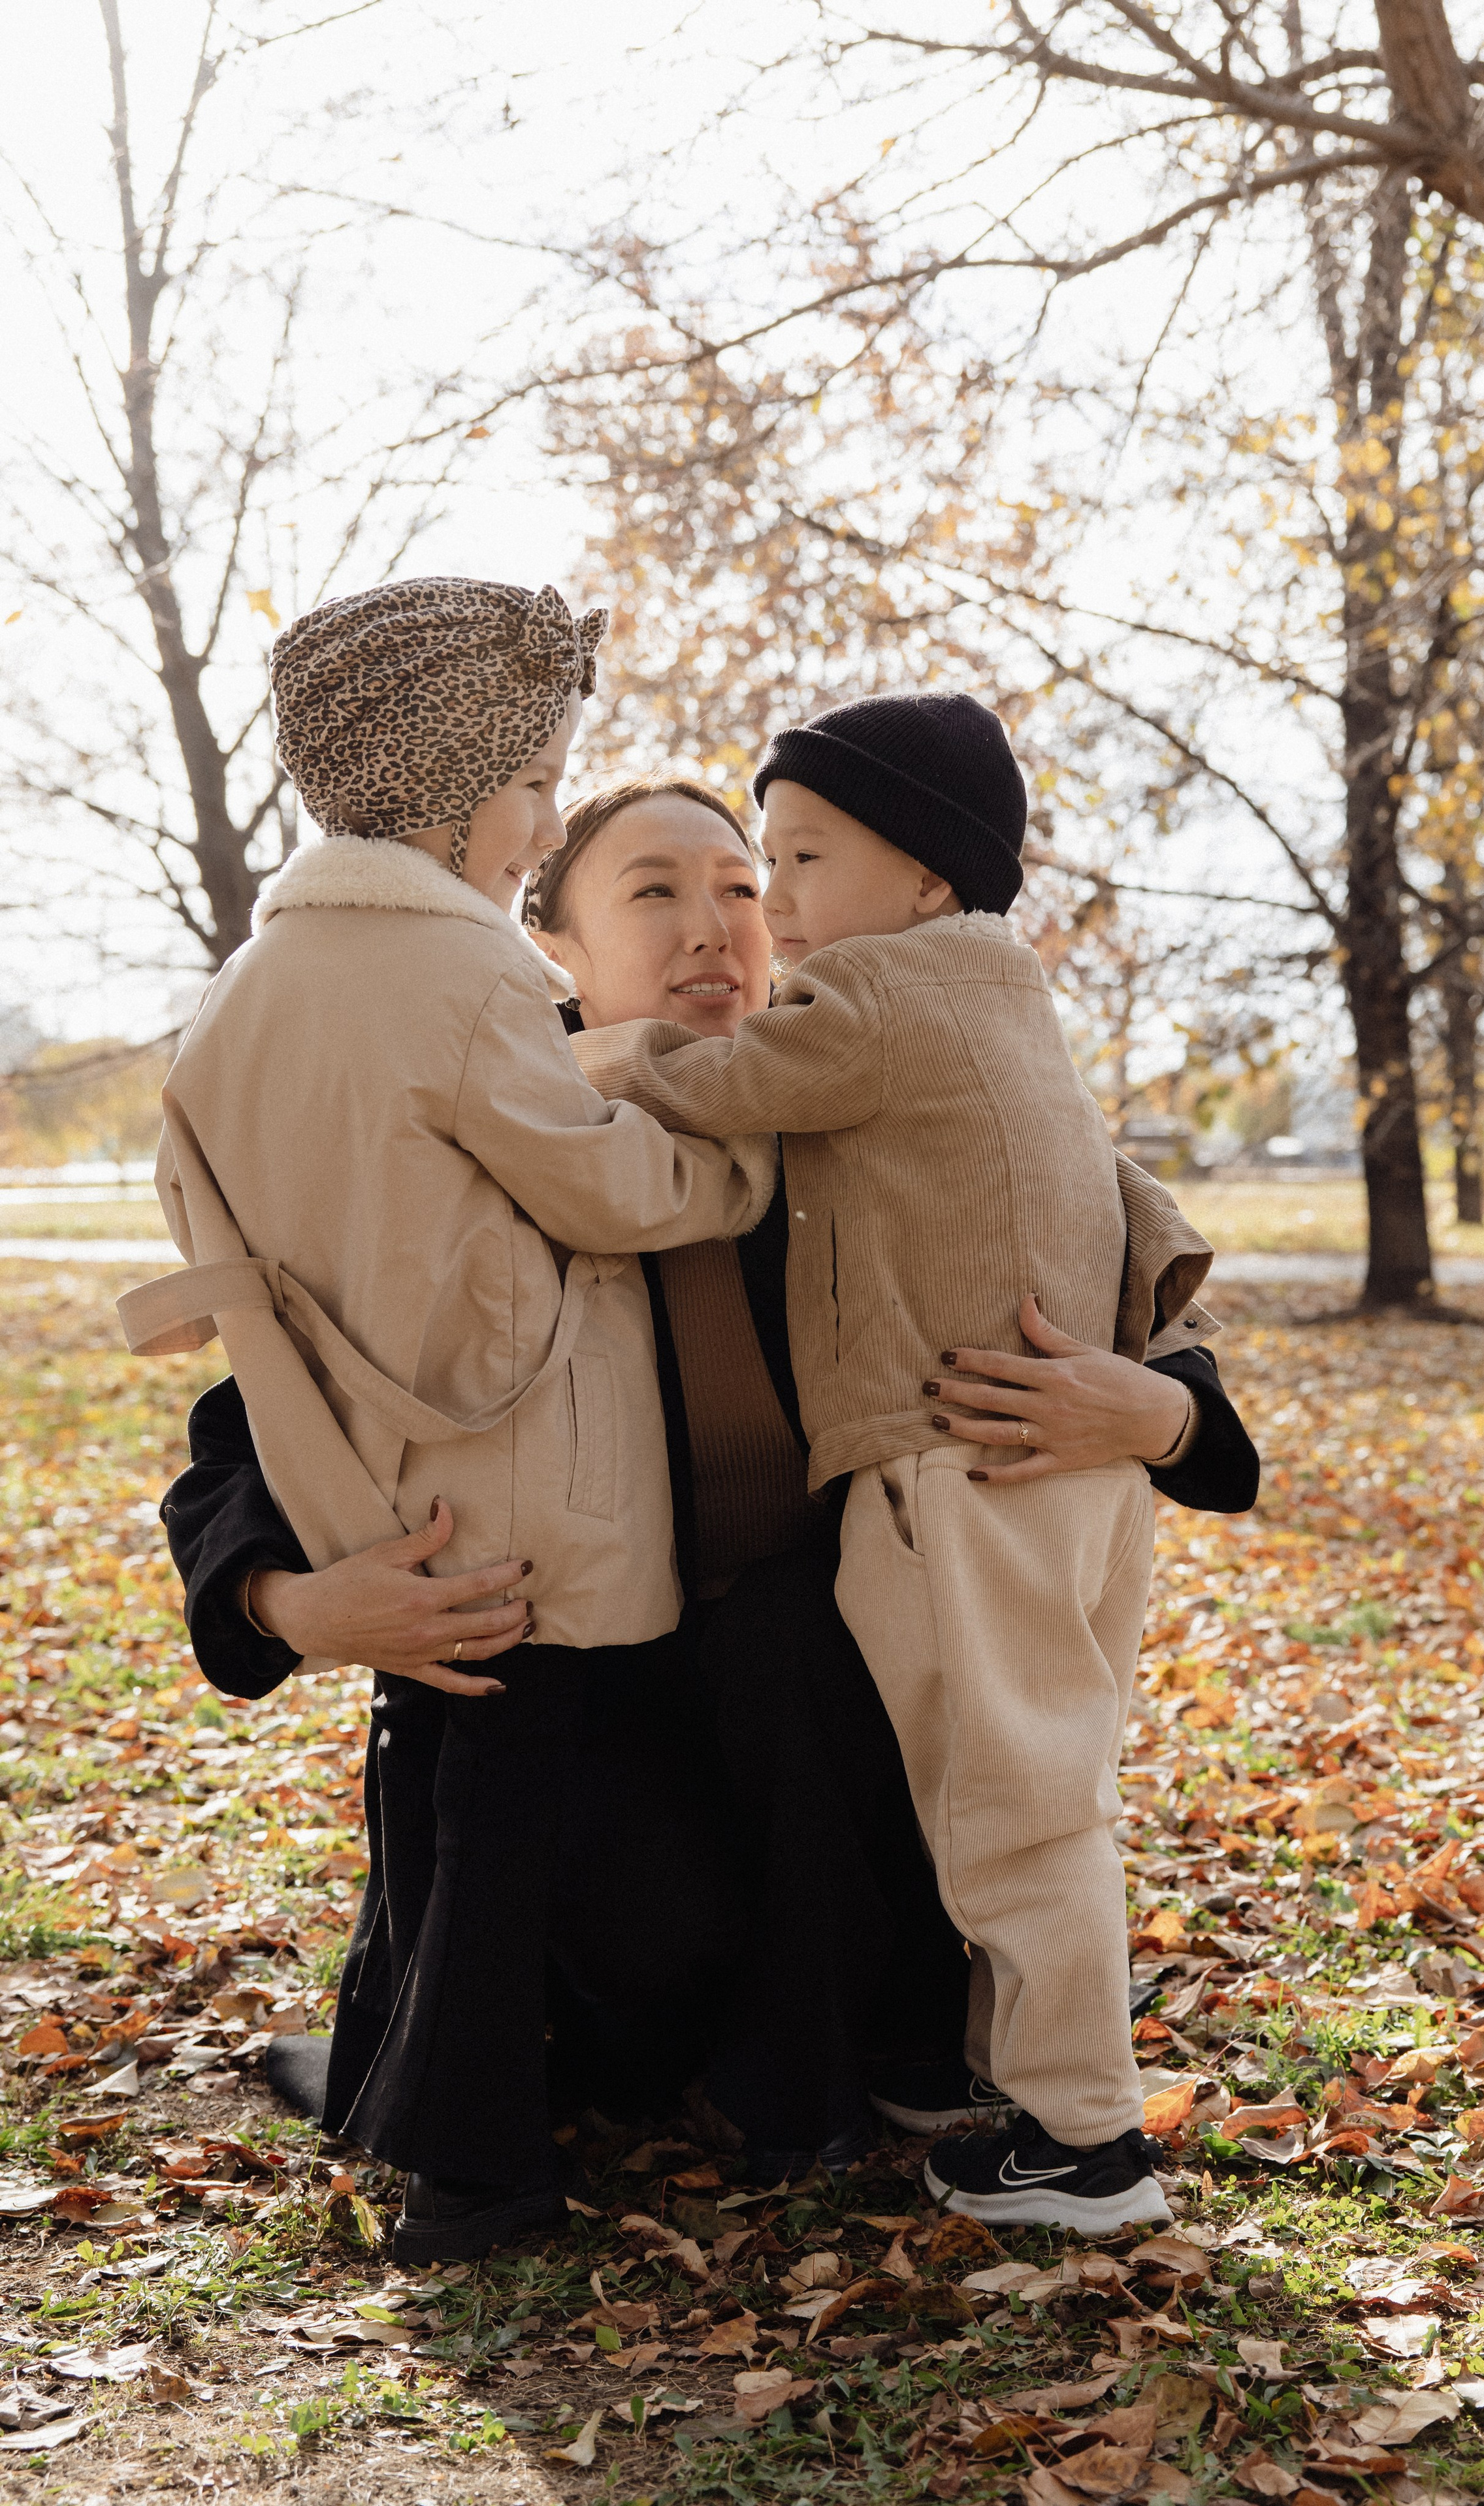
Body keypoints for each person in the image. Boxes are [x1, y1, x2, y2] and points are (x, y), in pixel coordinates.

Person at [163, 766, 1260, 2228]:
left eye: (745, 888)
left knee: (798, 1638)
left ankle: (896, 2043)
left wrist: (1161, 1409)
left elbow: (1139, 1295)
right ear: (549, 943)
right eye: (654, 892)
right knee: (543, 1711)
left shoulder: (897, 1086)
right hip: (594, 1733)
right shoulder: (476, 1116)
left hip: (838, 1738)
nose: (715, 928)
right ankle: (552, 2056)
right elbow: (248, 1420)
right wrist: (291, 1601)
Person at [119, 578, 781, 2266]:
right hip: (523, 1486)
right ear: (477, 791)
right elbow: (607, 1187)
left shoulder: (236, 1004)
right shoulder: (470, 984)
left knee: (428, 1802)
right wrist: (719, 1152)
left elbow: (230, 1250)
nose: (543, 823)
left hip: (378, 1475)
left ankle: (386, 2087)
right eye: (543, 785)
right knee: (499, 1828)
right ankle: (476, 2175)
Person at [573, 690, 1226, 2233]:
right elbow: (1145, 1217)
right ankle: (1006, 2081)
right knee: (1044, 1778)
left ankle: (1085, 2141)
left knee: (1014, 1804)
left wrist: (580, 1059)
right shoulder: (1003, 998)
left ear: (928, 876)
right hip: (1051, 1481)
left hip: (958, 1463)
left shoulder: (873, 1001)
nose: (769, 902)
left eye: (793, 863)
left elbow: (713, 1083)